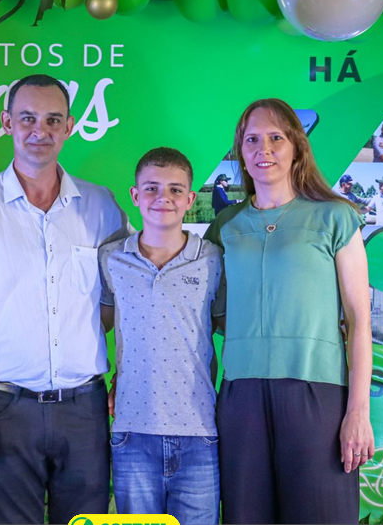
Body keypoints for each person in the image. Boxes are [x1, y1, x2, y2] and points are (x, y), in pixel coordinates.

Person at [0, 74, 130, 524]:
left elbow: (134, 295)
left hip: (85, 409)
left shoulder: (102, 206)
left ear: (69, 127)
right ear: (7, 123)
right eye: (28, 118)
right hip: (7, 412)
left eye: (53, 120)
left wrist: (125, 372)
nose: (41, 130)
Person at [205, 99, 374, 524]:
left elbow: (359, 322)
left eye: (276, 138)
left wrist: (358, 412)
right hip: (240, 397)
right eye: (252, 140)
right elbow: (206, 317)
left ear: (297, 147)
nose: (263, 149)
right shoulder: (225, 226)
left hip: (318, 395)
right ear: (240, 152)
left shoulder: (336, 217)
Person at [99, 147, 225, 524]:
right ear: (135, 195)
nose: (163, 198)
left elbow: (229, 328)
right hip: (131, 432)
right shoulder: (111, 259)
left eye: (175, 190)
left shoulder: (213, 259)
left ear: (190, 199)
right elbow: (98, 326)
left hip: (199, 431)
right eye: (151, 188)